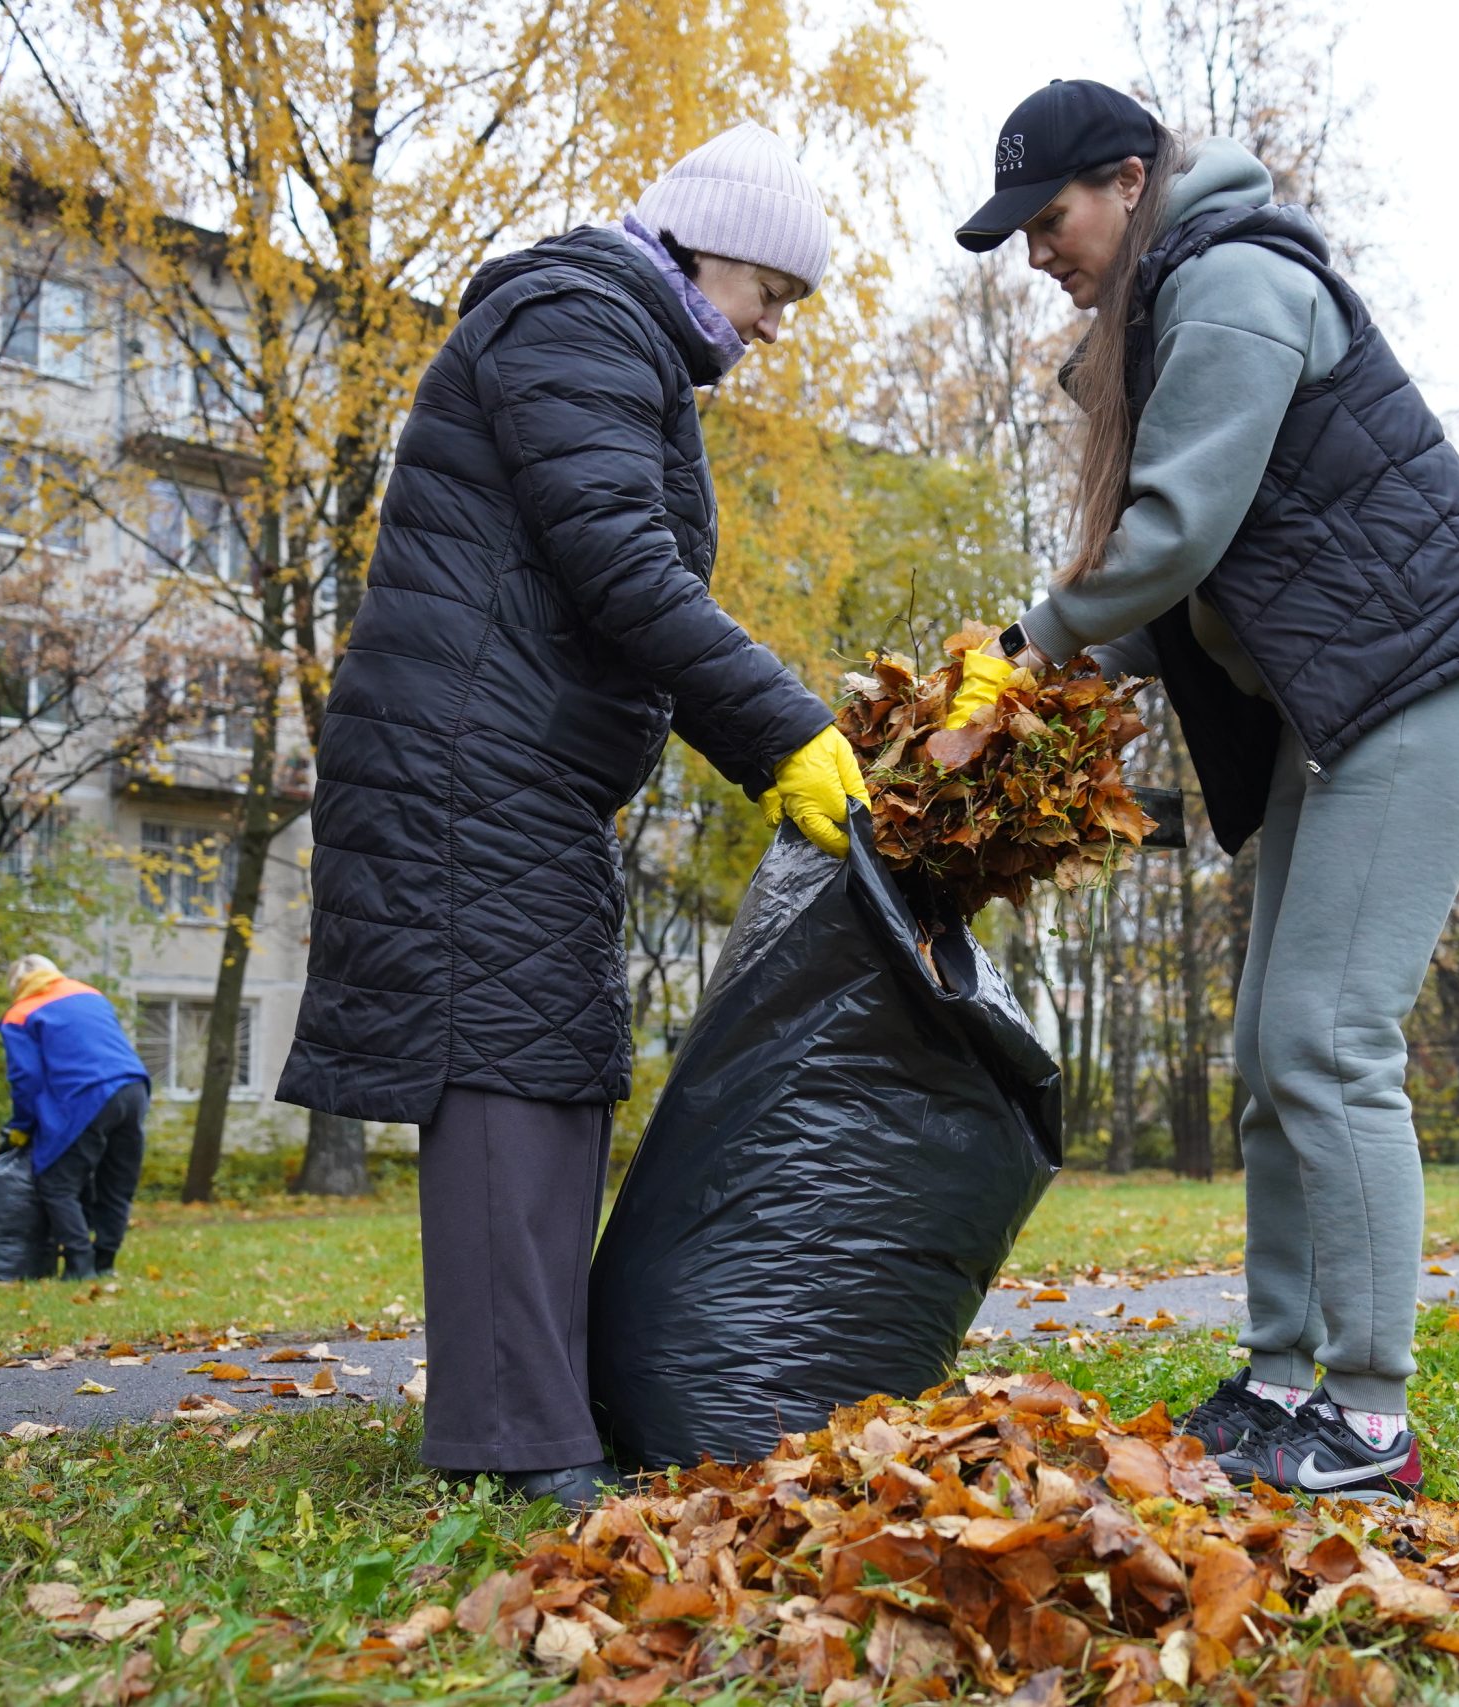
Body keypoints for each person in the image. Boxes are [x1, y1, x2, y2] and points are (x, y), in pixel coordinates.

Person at [950, 81, 1459, 1500]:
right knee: (1271, 1056)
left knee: (1327, 1040)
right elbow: (1199, 586)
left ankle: (1369, 1420)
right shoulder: (1176, 302)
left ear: (1130, 179)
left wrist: (1035, 644)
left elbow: (1176, 529)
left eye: (1050, 216)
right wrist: (1034, 677)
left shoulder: (1228, 279)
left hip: (1422, 684)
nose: (1038, 250)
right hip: (1337, 701)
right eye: (1020, 232)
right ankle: (1284, 1379)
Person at [277, 123, 866, 1512]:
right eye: (771, 292)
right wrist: (781, 730)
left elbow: (619, 588)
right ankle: (514, 1434)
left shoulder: (616, 337)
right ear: (706, 249)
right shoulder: (579, 320)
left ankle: (543, 1408)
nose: (773, 327)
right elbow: (622, 567)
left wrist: (766, 743)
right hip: (465, 762)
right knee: (505, 1062)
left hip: (514, 763)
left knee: (555, 1055)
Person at [0, 955, 152, 1279]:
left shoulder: (20, 1013)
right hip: (134, 1088)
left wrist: (22, 1126)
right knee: (115, 1185)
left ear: (16, 985)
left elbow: (26, 1079)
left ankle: (80, 1265)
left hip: (88, 1096)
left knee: (57, 1184)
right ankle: (104, 1262)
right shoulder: (89, 993)